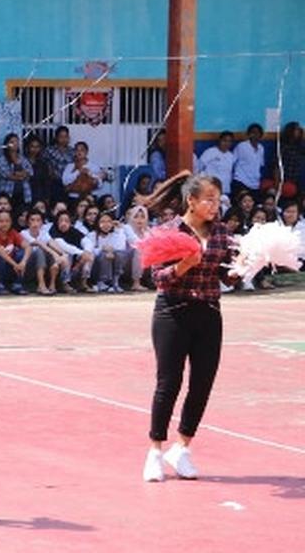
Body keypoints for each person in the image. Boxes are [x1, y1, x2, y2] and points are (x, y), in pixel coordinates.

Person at [142, 174, 239, 482]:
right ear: (191, 201)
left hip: (209, 313)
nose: (215, 205)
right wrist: (184, 265)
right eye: (208, 199)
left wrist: (246, 266)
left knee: (202, 384)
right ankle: (155, 451)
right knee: (168, 383)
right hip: (173, 312)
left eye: (218, 199)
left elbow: (227, 277)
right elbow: (157, 278)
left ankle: (182, 448)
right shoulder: (169, 231)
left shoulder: (223, 233)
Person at [83, 211, 131, 293]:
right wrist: (102, 249)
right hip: (96, 267)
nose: (106, 224)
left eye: (109, 221)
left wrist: (119, 229)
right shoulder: (92, 235)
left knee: (119, 254)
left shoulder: (116, 234)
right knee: (104, 255)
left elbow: (121, 247)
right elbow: (90, 251)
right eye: (102, 222)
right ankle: (103, 282)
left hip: (112, 261)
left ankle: (115, 281)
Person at [0, 209, 31, 295]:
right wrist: (15, 264)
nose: (4, 224)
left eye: (7, 221)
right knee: (0, 256)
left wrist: (23, 262)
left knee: (21, 254)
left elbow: (28, 246)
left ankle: (17, 284)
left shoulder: (13, 233)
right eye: (1, 221)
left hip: (12, 268)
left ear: (11, 222)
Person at [20, 210, 61, 296]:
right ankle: (41, 285)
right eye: (32, 220)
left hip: (43, 266)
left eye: (38, 220)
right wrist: (54, 253)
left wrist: (62, 254)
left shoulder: (44, 233)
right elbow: (39, 243)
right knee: (40, 251)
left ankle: (52, 285)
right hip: (28, 267)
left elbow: (52, 243)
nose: (35, 223)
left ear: (42, 223)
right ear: (28, 222)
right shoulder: (24, 233)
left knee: (51, 254)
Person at [49, 211, 91, 293]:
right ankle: (64, 283)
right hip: (58, 261)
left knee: (90, 255)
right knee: (67, 255)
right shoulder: (53, 230)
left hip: (75, 264)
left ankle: (83, 283)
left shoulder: (73, 230)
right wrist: (81, 253)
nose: (64, 223)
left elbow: (87, 241)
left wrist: (87, 251)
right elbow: (63, 246)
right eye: (61, 221)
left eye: (66, 221)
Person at [0, 133, 33, 206]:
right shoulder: (2, 159)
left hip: (24, 193)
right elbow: (7, 175)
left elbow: (30, 172)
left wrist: (17, 174)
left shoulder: (22, 158)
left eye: (16, 141)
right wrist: (22, 175)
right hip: (8, 193)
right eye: (12, 142)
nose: (15, 144)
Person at [122, 205, 153, 292]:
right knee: (139, 250)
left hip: (144, 264)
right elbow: (135, 242)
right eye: (136, 217)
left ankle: (155, 279)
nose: (139, 220)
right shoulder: (126, 228)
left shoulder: (148, 230)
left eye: (143, 217)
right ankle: (136, 283)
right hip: (126, 264)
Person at [231, 124, 265, 201]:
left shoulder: (261, 148)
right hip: (241, 181)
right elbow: (232, 162)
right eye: (253, 132)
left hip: (255, 184)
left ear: (261, 135)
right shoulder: (242, 146)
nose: (255, 135)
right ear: (248, 134)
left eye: (257, 133)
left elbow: (260, 165)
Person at [42, 126, 76, 201]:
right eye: (61, 137)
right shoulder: (49, 150)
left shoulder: (72, 151)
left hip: (69, 184)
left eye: (66, 136)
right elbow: (42, 163)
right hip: (54, 183)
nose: (64, 139)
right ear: (56, 137)